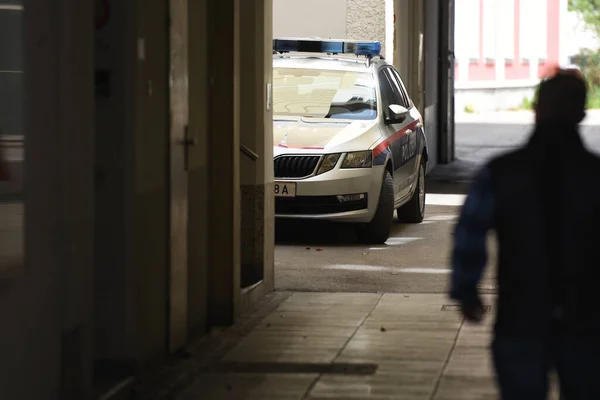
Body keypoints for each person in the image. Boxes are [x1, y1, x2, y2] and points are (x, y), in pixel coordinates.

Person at [450, 68, 600, 400]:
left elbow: (469, 235)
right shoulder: (595, 175)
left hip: (521, 317)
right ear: (580, 114)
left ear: (537, 110)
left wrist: (466, 291)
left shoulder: (501, 172)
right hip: (587, 322)